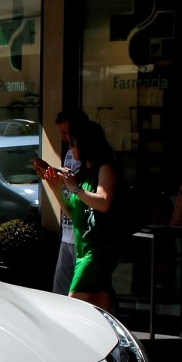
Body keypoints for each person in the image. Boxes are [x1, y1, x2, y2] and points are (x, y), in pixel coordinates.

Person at [34, 114, 119, 311]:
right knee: (103, 310)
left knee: (70, 307)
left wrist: (76, 188)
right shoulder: (84, 174)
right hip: (81, 248)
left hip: (94, 251)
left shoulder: (105, 169)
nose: (69, 147)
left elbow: (104, 202)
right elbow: (73, 214)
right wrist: (55, 186)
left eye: (72, 141)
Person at [47, 110, 82, 295]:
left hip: (81, 236)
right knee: (60, 292)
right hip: (67, 232)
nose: (64, 137)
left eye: (67, 132)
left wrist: (68, 181)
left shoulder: (87, 155)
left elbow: (79, 185)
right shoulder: (70, 153)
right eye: (61, 133)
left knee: (81, 293)